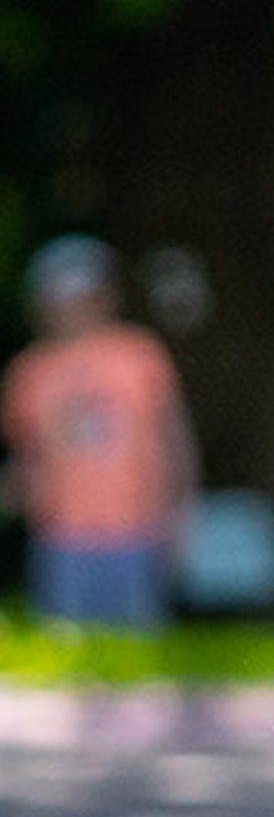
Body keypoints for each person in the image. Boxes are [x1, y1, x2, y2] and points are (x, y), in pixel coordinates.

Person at [5, 236, 196, 628]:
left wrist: (180, 514)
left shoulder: (139, 354)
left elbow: (173, 440)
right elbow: (26, 460)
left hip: (136, 532)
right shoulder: (27, 372)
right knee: (63, 645)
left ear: (105, 297)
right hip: (60, 538)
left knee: (137, 646)